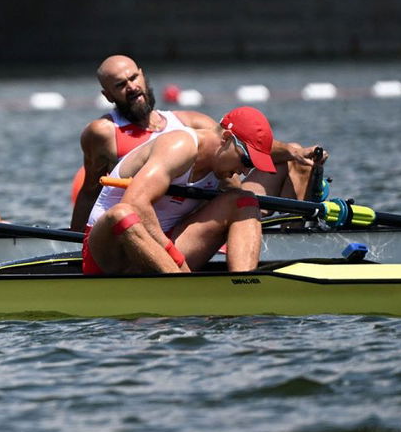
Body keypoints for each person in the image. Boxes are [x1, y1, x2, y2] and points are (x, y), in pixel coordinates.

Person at [69, 54, 326, 231]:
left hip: (223, 200)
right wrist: (77, 243)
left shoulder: (190, 121)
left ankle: (293, 237)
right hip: (175, 223)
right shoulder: (102, 133)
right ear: (107, 94)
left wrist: (293, 151)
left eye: (134, 78)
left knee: (299, 161)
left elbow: (242, 143)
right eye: (120, 85)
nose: (132, 87)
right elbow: (90, 191)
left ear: (143, 75)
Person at [83, 106, 276, 275]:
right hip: (112, 252)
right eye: (246, 161)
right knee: (122, 213)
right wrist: (175, 258)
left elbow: (243, 219)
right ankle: (183, 286)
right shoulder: (179, 147)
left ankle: (245, 287)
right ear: (226, 138)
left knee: (245, 201)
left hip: (163, 248)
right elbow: (135, 204)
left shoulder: (224, 169)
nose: (244, 171)